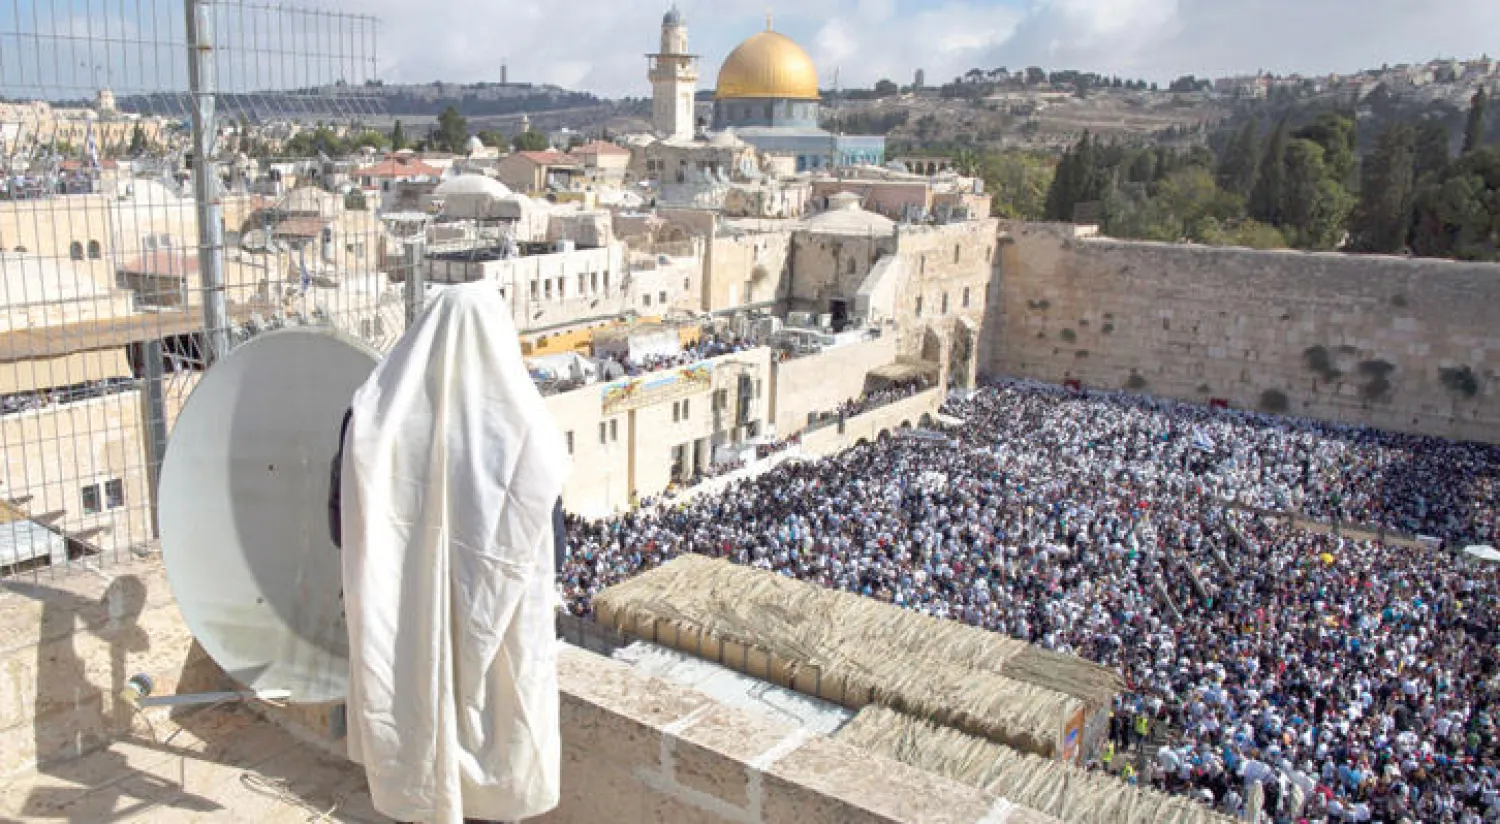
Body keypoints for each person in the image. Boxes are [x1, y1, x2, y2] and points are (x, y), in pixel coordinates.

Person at [342, 282, 571, 824]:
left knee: (414, 730)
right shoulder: (527, 429)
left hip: (402, 622)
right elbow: (553, 549)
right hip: (499, 629)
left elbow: (341, 523)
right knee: (497, 743)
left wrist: (410, 571)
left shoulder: (372, 420)